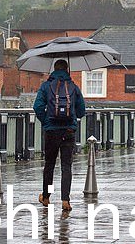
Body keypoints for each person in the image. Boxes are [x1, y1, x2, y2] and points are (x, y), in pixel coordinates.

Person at [33, 59, 86, 212]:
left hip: (51, 131)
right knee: (66, 167)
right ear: (67, 70)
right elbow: (81, 111)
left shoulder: (46, 86)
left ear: (54, 70)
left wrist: (46, 121)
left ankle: (47, 196)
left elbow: (37, 107)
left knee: (49, 165)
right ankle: (65, 200)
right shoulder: (74, 87)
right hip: (68, 131)